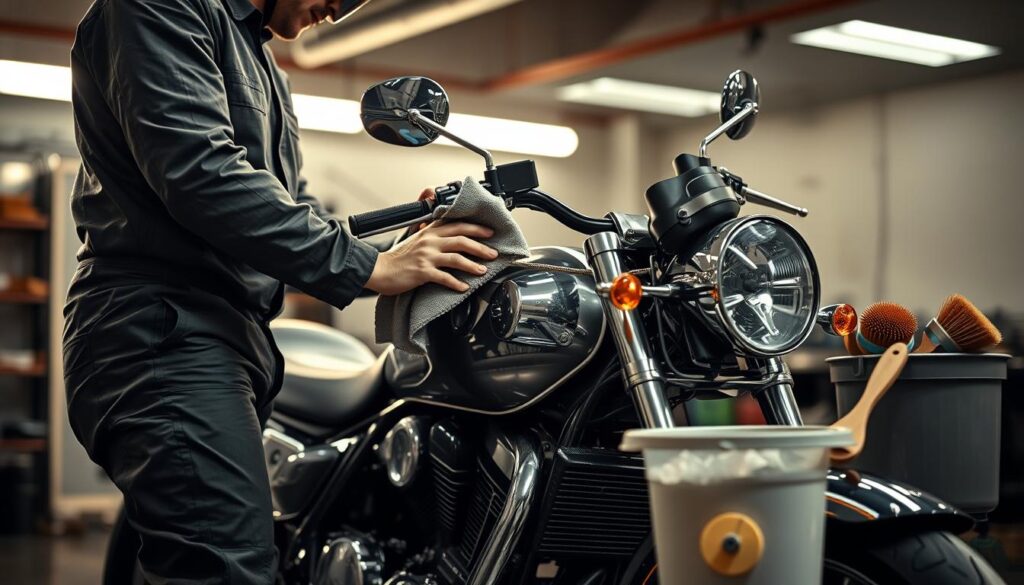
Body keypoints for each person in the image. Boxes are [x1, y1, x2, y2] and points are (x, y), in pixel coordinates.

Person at [64, 0, 496, 582]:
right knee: (226, 571)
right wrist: (370, 265)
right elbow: (199, 173)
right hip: (162, 331)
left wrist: (398, 248)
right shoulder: (160, 7)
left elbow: (288, 211)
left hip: (230, 338)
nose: (340, 12)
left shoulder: (264, 64)